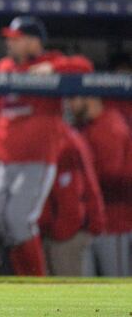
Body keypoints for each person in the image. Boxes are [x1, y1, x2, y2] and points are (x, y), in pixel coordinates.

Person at [0, 15, 93, 276]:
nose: (10, 44)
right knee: (4, 223)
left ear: (35, 42)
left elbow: (85, 67)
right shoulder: (4, 67)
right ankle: (26, 282)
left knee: (19, 220)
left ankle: (36, 281)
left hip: (37, 158)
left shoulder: (50, 62)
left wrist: (54, 69)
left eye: (17, 39)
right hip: (6, 158)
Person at [68, 90, 132, 276]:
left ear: (90, 97)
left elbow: (113, 176)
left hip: (115, 223)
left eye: (74, 97)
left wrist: (80, 184)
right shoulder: (84, 127)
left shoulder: (111, 125)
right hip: (90, 224)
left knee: (118, 286)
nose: (70, 104)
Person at [39, 121, 106, 276]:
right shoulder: (64, 136)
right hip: (56, 230)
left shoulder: (65, 140)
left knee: (71, 291)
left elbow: (71, 195)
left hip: (68, 234)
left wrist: (60, 232)